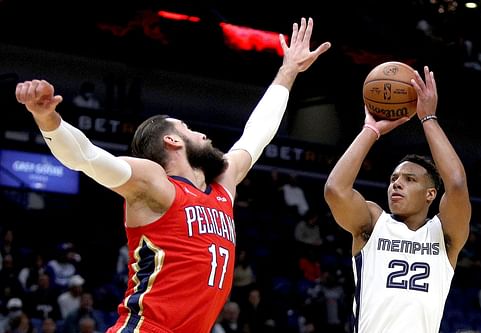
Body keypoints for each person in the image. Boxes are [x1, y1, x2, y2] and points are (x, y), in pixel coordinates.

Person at [15, 17, 331, 333]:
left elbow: (257, 135)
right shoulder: (155, 183)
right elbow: (87, 157)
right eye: (189, 129)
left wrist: (289, 70)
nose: (203, 134)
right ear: (172, 140)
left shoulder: (222, 186)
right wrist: (48, 120)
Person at [323, 66, 471, 333]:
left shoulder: (444, 234)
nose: (396, 184)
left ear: (430, 194)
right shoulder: (373, 222)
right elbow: (335, 190)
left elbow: (457, 184)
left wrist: (429, 119)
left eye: (409, 179)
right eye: (393, 179)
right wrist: (370, 130)